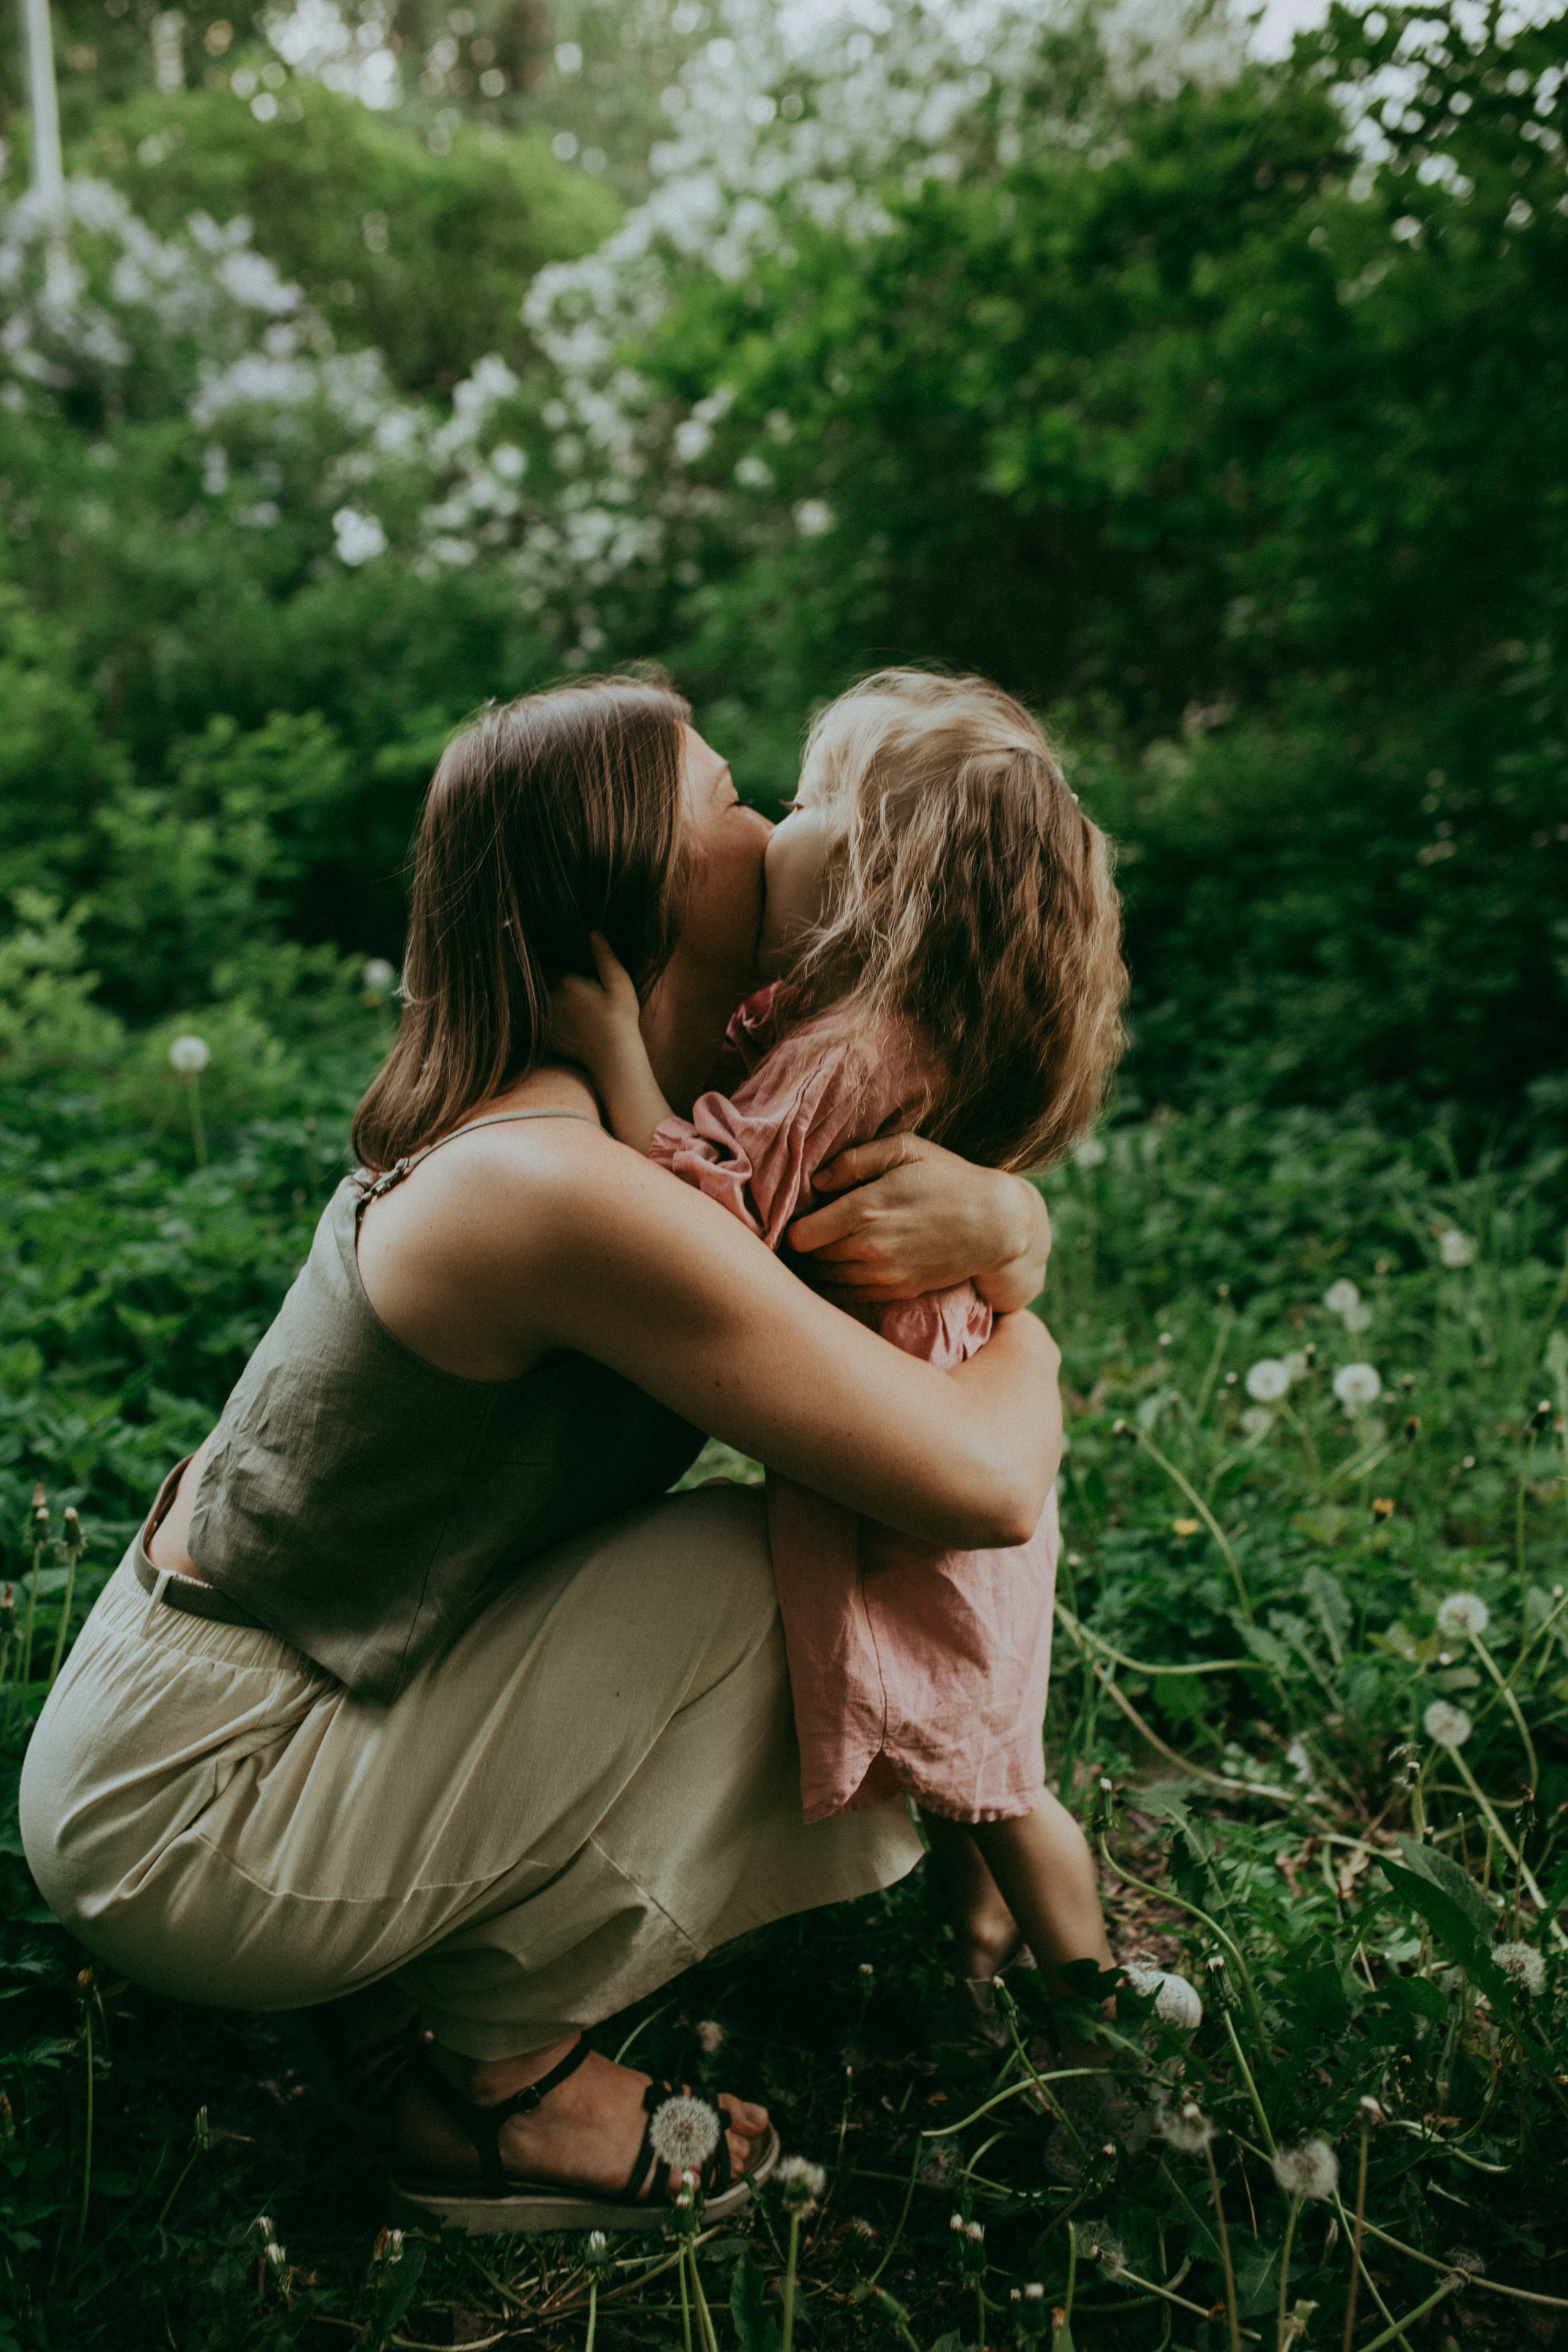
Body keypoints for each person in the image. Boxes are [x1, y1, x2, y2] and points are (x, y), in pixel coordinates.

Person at [20, 676, 1063, 2236]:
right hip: (194, 1816)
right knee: (779, 1580)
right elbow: (975, 1484)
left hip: (256, 1708)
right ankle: (488, 2079)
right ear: (635, 886)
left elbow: (848, 1321)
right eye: (725, 798)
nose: (777, 824)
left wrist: (1008, 1223)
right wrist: (1025, 1312)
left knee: (799, 1537)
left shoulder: (616, 1132)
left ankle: (391, 1978)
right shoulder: (552, 1188)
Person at [552, 669, 1130, 2015]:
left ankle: (1095, 2004)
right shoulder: (865, 1028)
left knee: (996, 1770)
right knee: (969, 1731)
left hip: (907, 1465)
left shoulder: (851, 1051)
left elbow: (699, 1208)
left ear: (881, 877)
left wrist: (603, 1050)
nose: (775, 821)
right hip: (909, 1421)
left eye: (812, 799)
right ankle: (975, 1942)